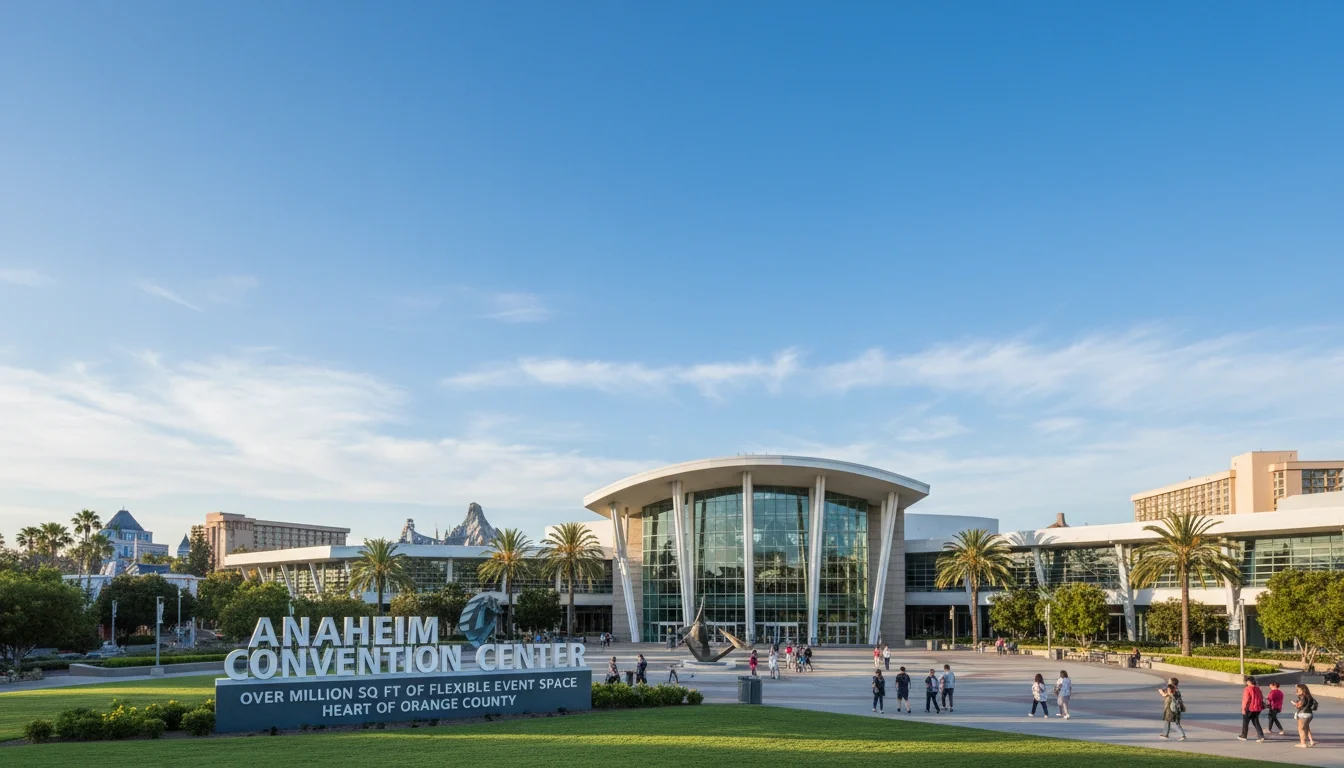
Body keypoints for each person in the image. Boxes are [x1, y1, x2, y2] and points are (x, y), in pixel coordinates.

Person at [1239, 676, 1266, 742]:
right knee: (1256, 722)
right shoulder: (1258, 689)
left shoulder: (1247, 689)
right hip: (1257, 708)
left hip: (1249, 708)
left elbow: (1246, 700)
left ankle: (1244, 736)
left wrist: (1243, 709)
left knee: (1245, 722)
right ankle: (1261, 736)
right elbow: (1261, 698)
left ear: (1248, 682)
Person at [1293, 683, 1318, 748]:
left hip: (1303, 714)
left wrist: (1295, 704)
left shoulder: (1302, 697)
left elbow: (1299, 705)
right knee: (1306, 728)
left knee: (1301, 729)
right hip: (1309, 714)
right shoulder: (1309, 696)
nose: (1297, 690)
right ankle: (1311, 741)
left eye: (1298, 689)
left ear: (1302, 689)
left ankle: (1303, 743)